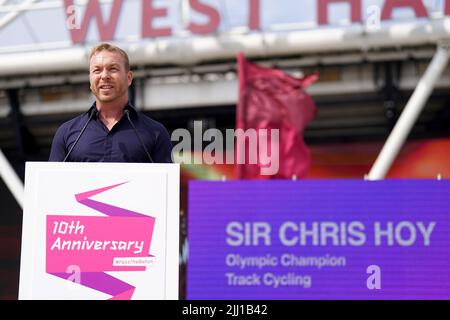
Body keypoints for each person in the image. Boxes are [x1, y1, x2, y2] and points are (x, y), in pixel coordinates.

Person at [49, 43, 172, 163]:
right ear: (90, 79)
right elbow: (51, 181)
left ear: (129, 78)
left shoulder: (155, 132)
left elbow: (167, 182)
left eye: (113, 69)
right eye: (97, 70)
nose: (104, 76)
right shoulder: (66, 133)